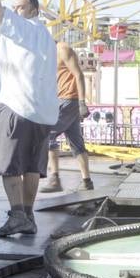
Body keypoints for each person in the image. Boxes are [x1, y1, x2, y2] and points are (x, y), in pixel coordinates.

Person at [0, 0, 58, 237]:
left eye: (20, 7)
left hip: (18, 109)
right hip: (43, 114)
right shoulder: (46, 36)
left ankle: (16, 217)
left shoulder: (23, 29)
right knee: (32, 167)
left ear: (33, 11)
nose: (15, 11)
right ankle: (28, 216)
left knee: (9, 166)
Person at [38, 40, 93, 193]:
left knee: (47, 134)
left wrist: (82, 102)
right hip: (63, 100)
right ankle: (87, 181)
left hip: (69, 100)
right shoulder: (48, 55)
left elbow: (79, 75)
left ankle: (54, 179)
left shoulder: (63, 50)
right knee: (76, 143)